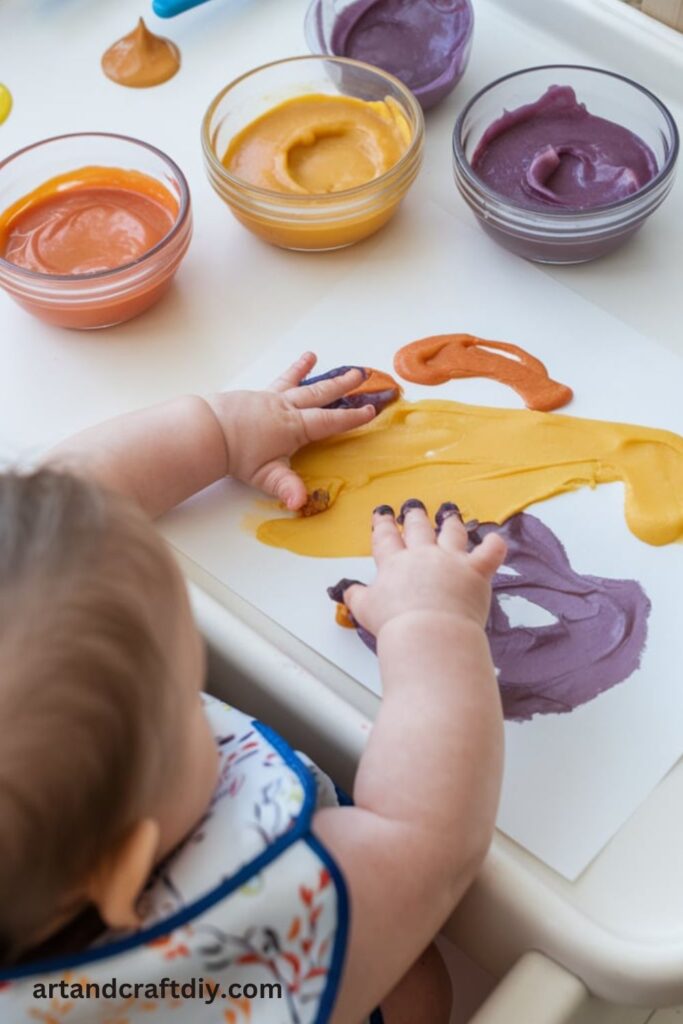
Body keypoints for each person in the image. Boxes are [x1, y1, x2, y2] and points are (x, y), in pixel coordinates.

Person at [0, 353, 506, 1023]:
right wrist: (431, 624)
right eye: (188, 697)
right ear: (129, 873)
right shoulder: (237, 946)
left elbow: (66, 510)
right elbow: (428, 840)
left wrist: (216, 431)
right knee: (420, 990)